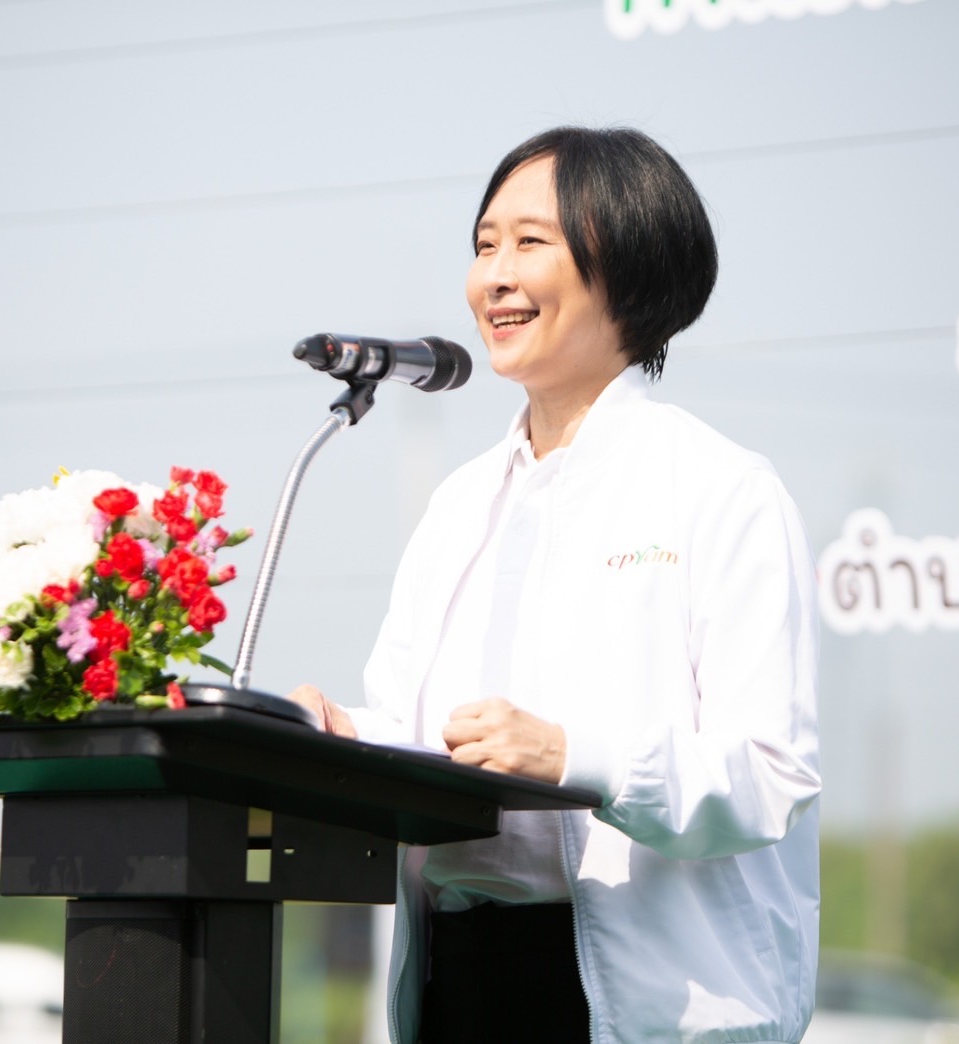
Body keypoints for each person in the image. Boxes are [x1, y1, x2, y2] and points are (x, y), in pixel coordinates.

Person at [289, 126, 821, 1044]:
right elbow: (423, 736)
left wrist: (575, 756)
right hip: (457, 976)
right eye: (483, 245)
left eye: (529, 243)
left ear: (630, 265)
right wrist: (341, 737)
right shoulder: (459, 506)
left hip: (641, 996)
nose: (494, 277)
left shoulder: (722, 490)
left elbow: (770, 776)